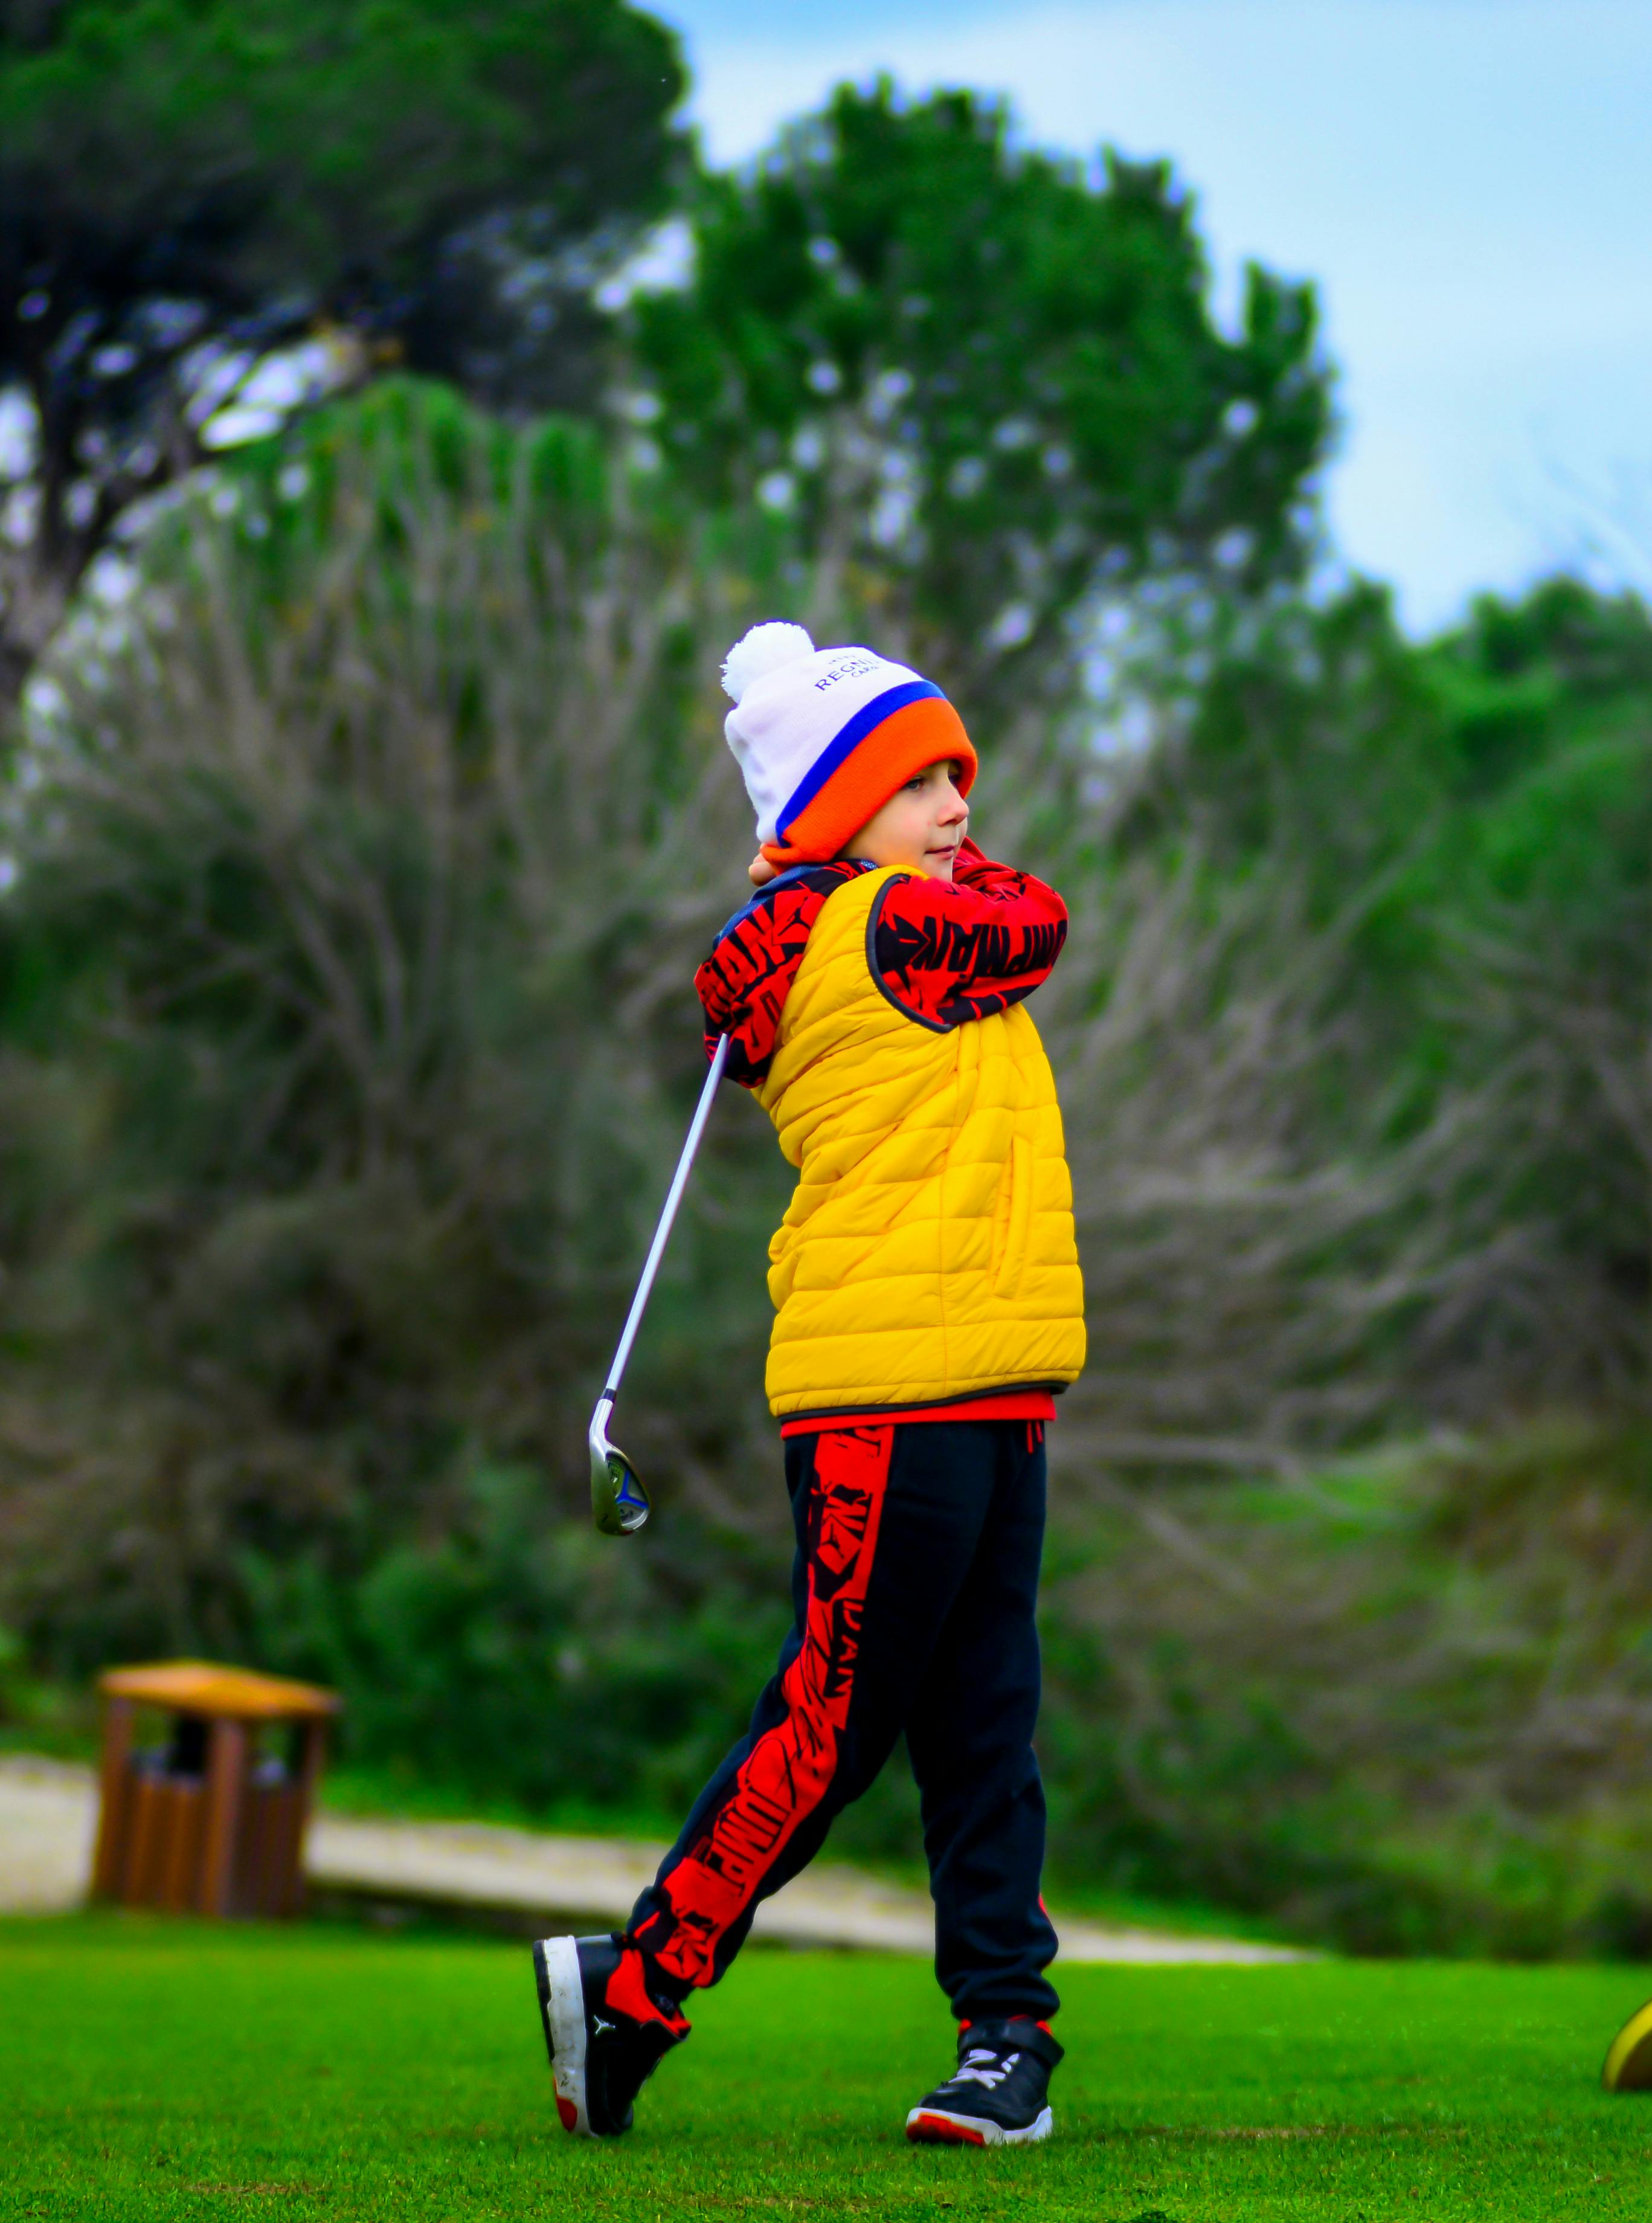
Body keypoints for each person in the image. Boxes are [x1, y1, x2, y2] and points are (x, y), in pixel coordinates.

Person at [534, 622, 1087, 2147]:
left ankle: (1004, 2044)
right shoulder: (893, 931)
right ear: (837, 818)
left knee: (982, 1724)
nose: (957, 805)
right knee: (834, 1721)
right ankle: (636, 1988)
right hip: (888, 1390)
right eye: (917, 784)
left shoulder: (853, 923)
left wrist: (891, 861)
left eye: (958, 775)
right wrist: (933, 875)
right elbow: (1037, 921)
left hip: (986, 1383)